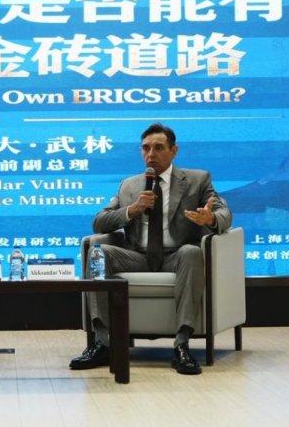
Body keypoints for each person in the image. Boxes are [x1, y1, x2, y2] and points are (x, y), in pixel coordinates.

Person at [69, 123, 232, 375]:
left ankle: (182, 345)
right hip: (138, 257)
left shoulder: (197, 180)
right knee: (98, 253)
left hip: (176, 256)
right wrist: (132, 210)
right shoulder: (129, 185)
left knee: (191, 252)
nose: (151, 154)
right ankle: (102, 342)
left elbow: (224, 214)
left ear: (174, 151)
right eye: (145, 148)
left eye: (158, 148)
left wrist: (209, 219)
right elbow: (99, 222)